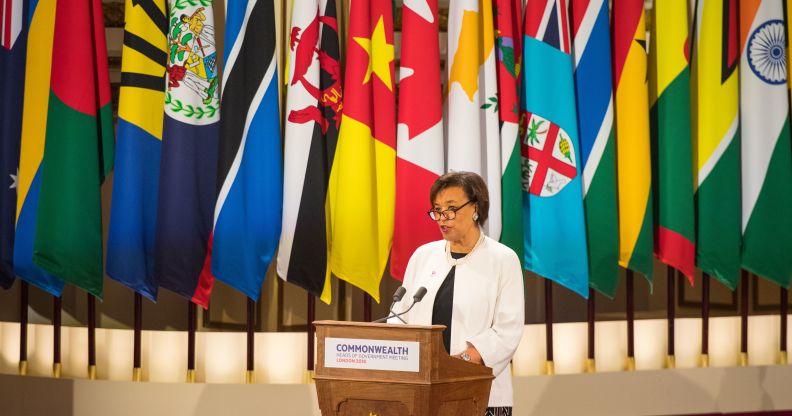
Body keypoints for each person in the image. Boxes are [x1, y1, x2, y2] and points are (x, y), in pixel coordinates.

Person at [389, 171, 525, 416]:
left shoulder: (503, 259)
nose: (443, 218)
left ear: (475, 207)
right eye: (437, 210)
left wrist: (454, 365)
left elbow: (507, 331)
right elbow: (399, 317)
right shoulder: (423, 256)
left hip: (480, 395)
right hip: (421, 392)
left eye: (451, 209)